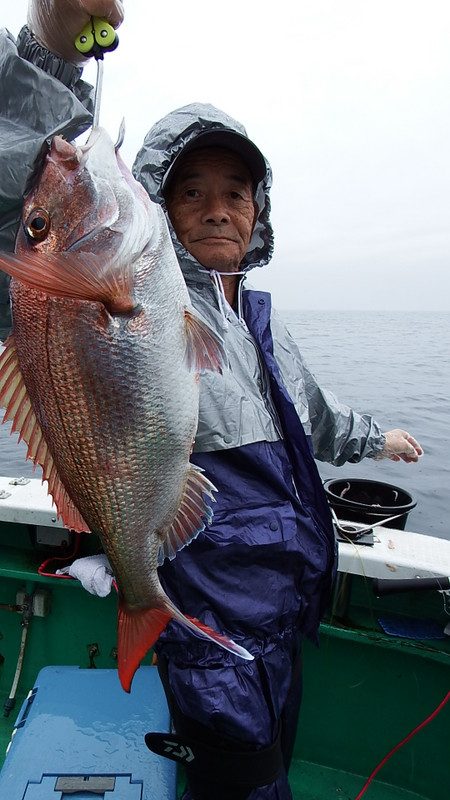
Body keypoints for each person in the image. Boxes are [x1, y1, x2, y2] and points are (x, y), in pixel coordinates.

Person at [0, 4, 423, 799]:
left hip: (287, 610)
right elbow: (24, 188)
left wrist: (378, 437)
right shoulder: (114, 289)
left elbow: (314, 417)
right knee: (240, 782)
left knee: (276, 761)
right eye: (191, 191)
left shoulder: (259, 321)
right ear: (156, 204)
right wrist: (49, 51)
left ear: (260, 212)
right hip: (209, 616)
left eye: (237, 191)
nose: (218, 207)